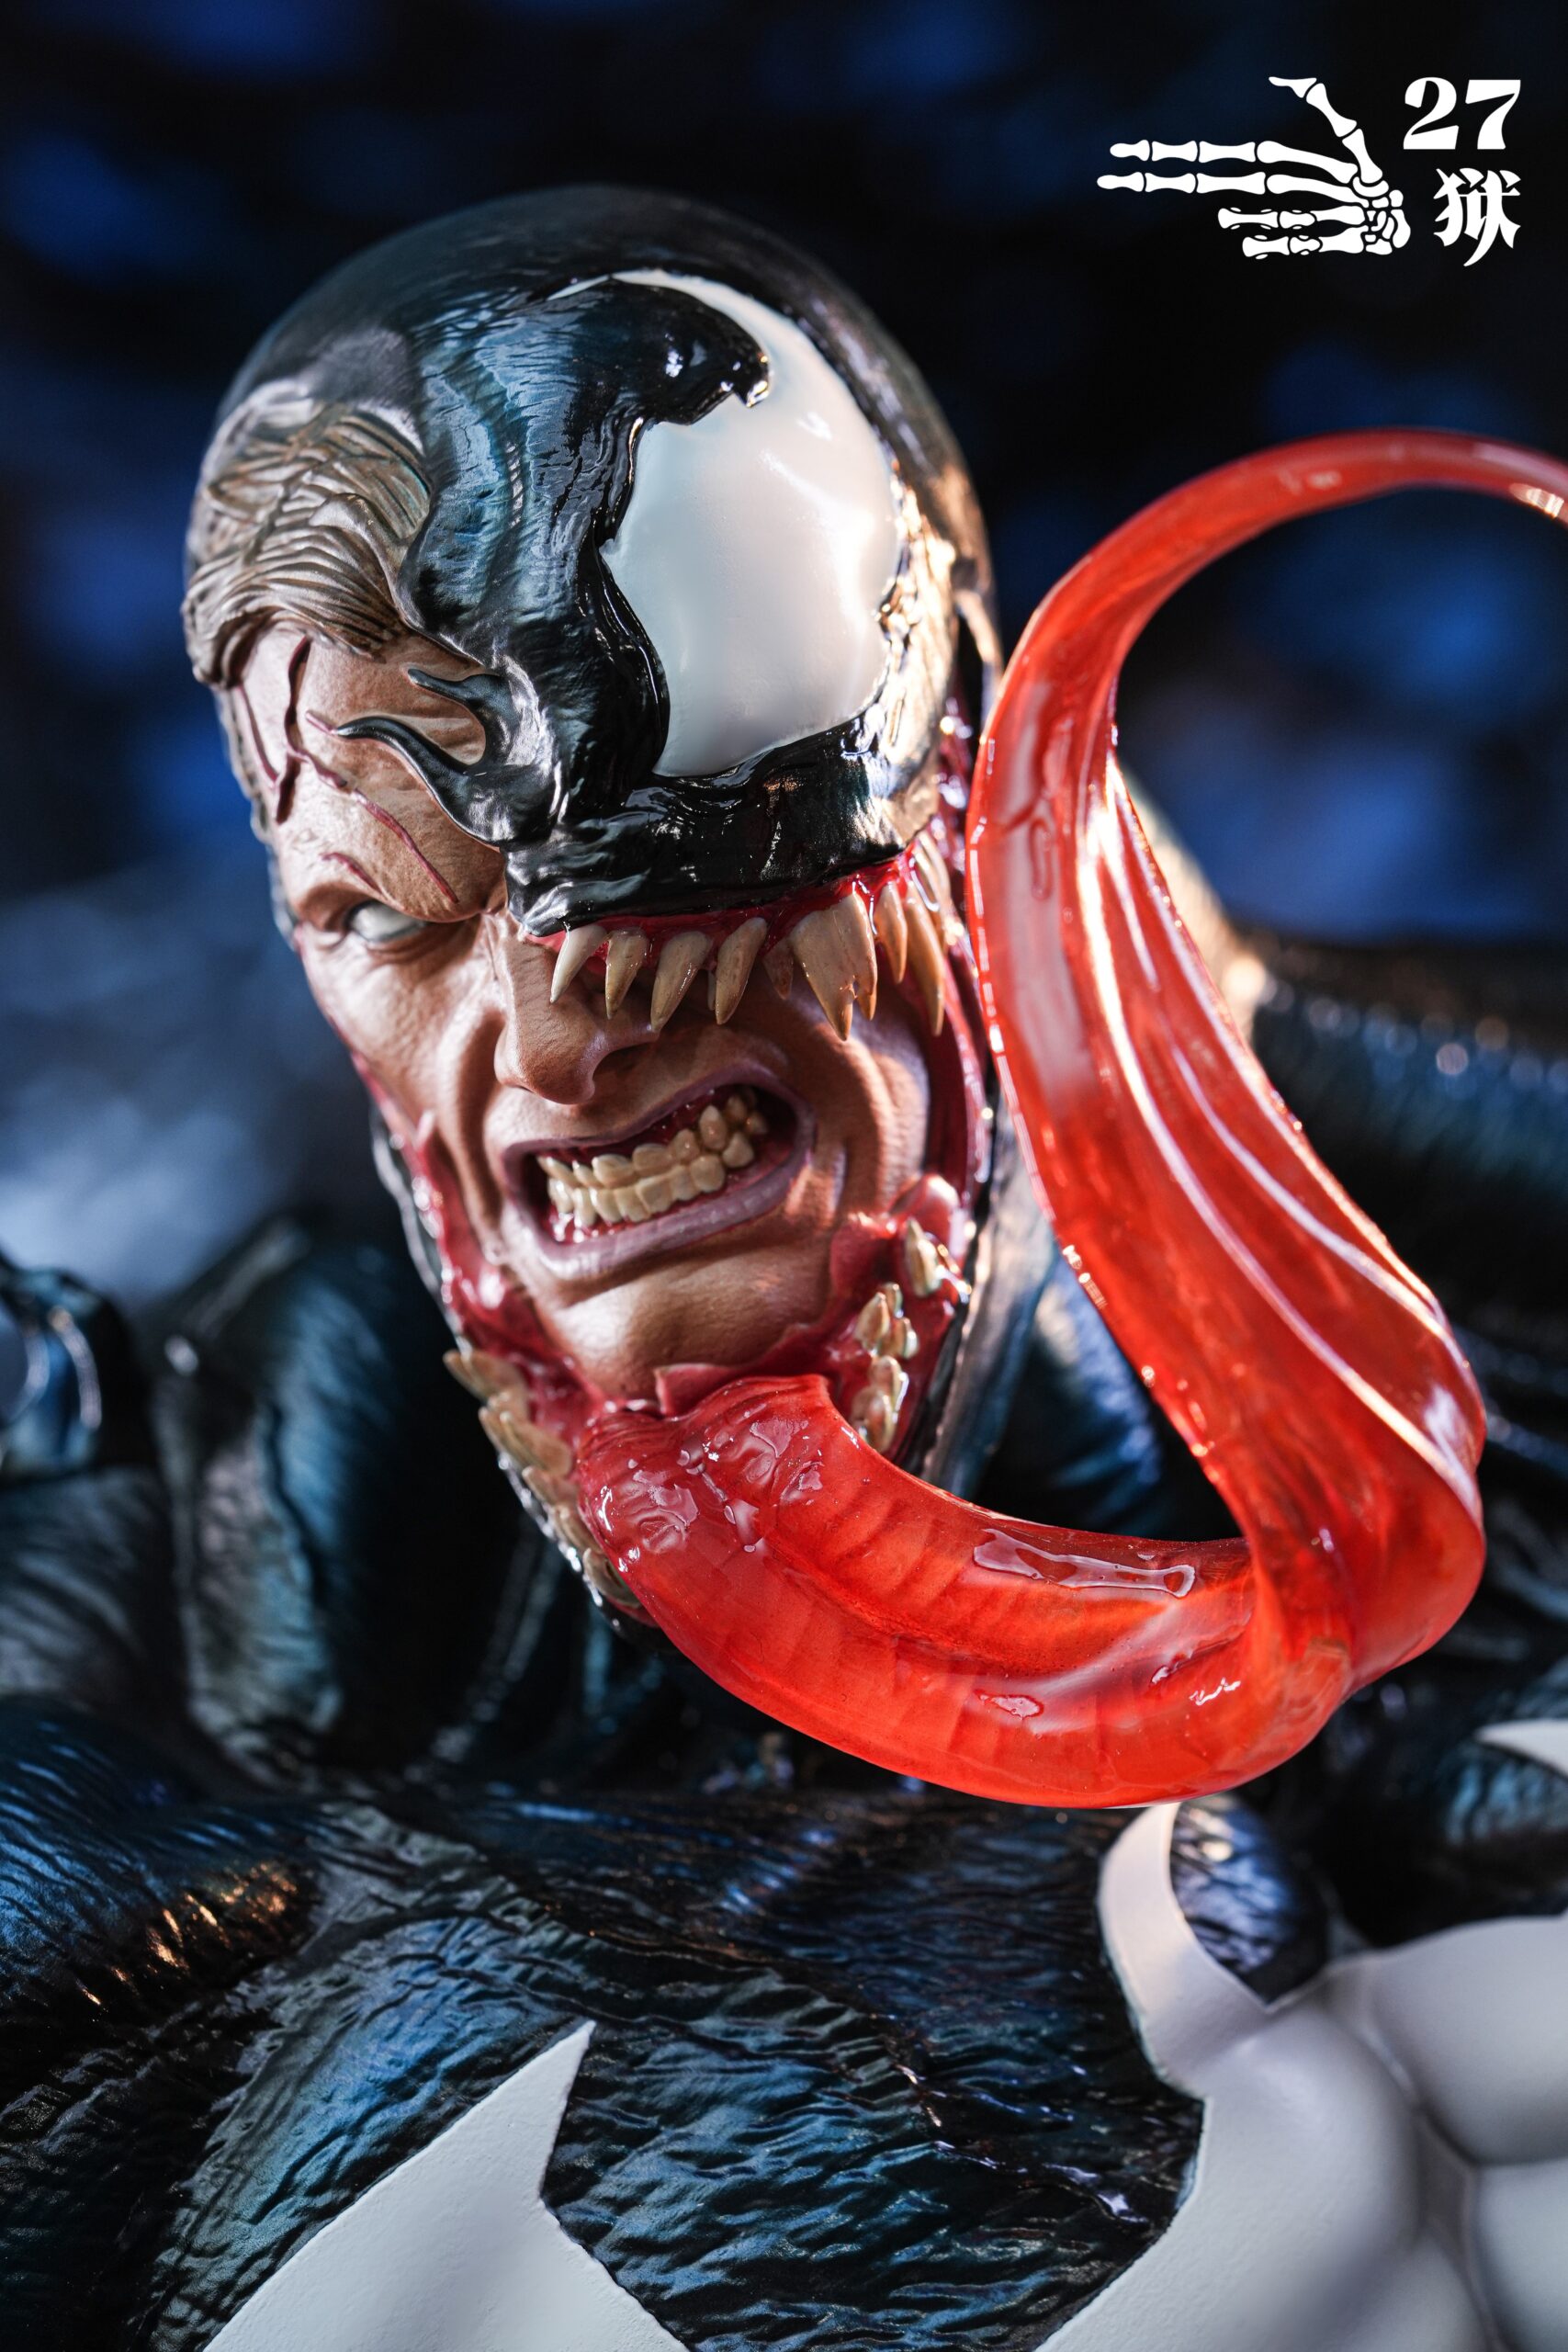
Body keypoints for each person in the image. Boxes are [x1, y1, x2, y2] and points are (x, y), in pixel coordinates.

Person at [1, 188, 1565, 2349]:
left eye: (652, 853)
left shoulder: (1462, 1277)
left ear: (962, 783)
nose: (548, 1037)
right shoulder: (218, 1523)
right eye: (379, 916)